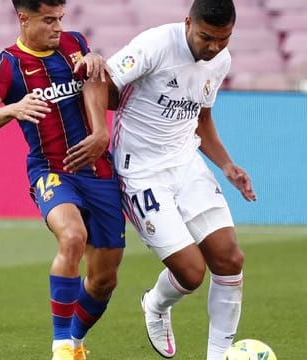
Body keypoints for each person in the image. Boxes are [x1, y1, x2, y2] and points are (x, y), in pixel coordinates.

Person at [74, 0, 256, 359]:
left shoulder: (221, 59)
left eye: (224, 39)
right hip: (141, 171)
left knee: (230, 259)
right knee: (191, 273)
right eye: (207, 37)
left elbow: (201, 117)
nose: (214, 47)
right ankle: (155, 304)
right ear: (188, 22)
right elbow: (97, 81)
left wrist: (227, 165)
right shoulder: (155, 45)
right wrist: (99, 133)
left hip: (185, 162)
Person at [0, 1, 126, 359]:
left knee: (104, 280)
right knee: (72, 237)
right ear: (23, 19)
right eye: (48, 20)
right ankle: (61, 348)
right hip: (51, 170)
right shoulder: (7, 63)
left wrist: (99, 66)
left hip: (99, 172)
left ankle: (75, 341)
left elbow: (103, 93)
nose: (58, 27)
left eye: (60, 18)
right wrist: (13, 108)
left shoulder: (75, 45)